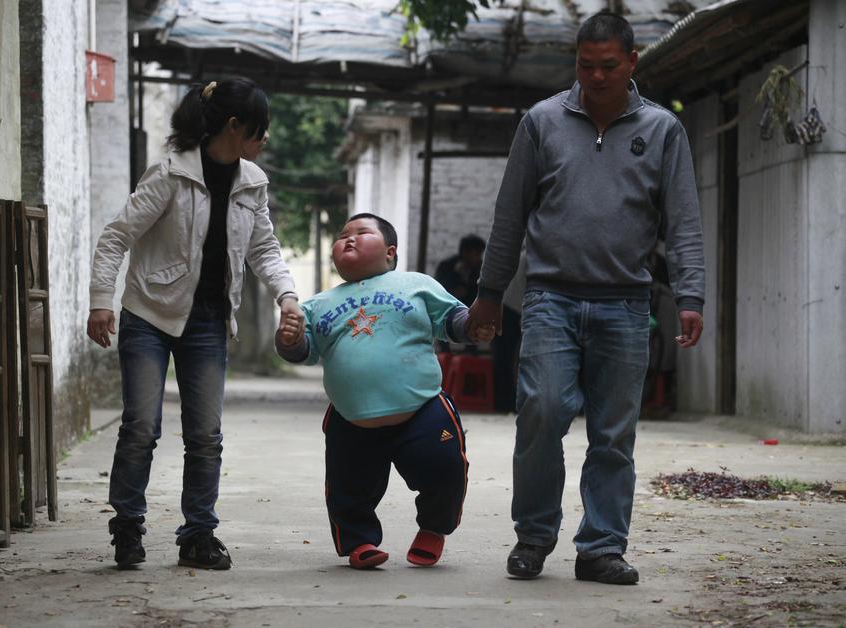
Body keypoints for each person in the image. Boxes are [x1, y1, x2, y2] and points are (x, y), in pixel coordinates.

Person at [466, 11, 705, 585]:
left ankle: (601, 547)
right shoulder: (542, 121)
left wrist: (691, 294)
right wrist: (490, 293)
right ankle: (534, 536)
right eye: (585, 65)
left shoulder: (663, 129)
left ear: (632, 62)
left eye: (608, 66)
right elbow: (509, 215)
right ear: (575, 62)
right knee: (541, 412)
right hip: (551, 298)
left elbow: (684, 220)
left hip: (626, 305)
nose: (596, 76)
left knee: (614, 434)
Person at [87, 78, 304, 570]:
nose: (265, 137)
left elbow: (263, 248)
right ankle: (128, 525)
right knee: (142, 426)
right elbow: (117, 236)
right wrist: (102, 301)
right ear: (235, 126)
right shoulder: (170, 174)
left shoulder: (252, 182)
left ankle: (198, 535)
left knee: (205, 435)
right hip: (148, 315)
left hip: (207, 322)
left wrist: (287, 295)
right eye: (260, 127)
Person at [275, 213, 494, 569]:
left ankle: (433, 528)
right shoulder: (316, 305)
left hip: (422, 409)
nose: (349, 238)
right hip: (351, 419)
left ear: (390, 252)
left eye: (362, 232)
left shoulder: (415, 284)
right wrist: (289, 339)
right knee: (347, 487)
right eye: (342, 235)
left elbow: (453, 319)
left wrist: (474, 326)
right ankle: (359, 541)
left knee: (445, 469)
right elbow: (303, 351)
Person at [434, 234, 486, 305]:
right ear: (465, 252)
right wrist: (455, 274)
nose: (479, 258)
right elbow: (438, 289)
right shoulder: (447, 266)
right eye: (477, 254)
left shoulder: (480, 269)